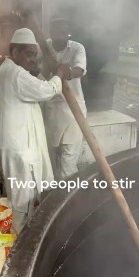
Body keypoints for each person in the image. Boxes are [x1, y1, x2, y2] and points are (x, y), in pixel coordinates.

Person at [0, 28, 69, 234]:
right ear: (15, 53)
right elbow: (45, 90)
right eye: (28, 54)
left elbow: (34, 84)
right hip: (19, 149)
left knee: (22, 194)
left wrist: (42, 73)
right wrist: (60, 75)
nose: (32, 59)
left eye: (34, 54)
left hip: (16, 144)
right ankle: (19, 244)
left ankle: (25, 233)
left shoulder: (8, 69)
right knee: (22, 197)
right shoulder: (16, 74)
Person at [39, 17, 88, 180]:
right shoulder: (44, 47)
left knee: (68, 166)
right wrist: (48, 70)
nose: (62, 35)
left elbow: (80, 70)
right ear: (51, 32)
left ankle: (67, 199)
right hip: (52, 110)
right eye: (58, 31)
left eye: (65, 32)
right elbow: (37, 69)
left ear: (68, 34)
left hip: (74, 112)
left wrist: (67, 73)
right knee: (50, 162)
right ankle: (51, 196)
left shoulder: (77, 48)